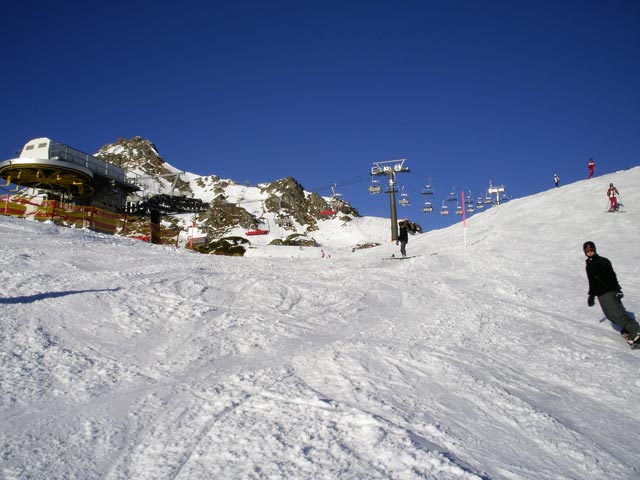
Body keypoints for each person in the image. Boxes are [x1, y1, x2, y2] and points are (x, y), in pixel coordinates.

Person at [583, 241, 640, 348]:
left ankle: (637, 331)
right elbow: (592, 281)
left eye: (591, 250)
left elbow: (612, 276)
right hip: (601, 294)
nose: (590, 252)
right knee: (610, 315)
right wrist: (591, 295)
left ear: (594, 250)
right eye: (587, 251)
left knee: (617, 313)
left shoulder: (603, 261)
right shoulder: (589, 265)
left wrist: (617, 290)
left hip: (609, 291)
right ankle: (630, 330)